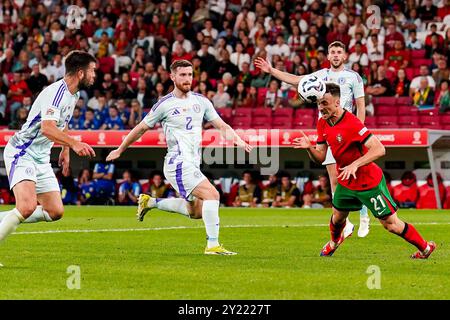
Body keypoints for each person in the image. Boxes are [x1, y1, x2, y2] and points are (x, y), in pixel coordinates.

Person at [106, 60, 252, 255]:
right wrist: (120, 149)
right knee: (213, 195)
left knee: (196, 212)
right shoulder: (164, 105)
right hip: (177, 163)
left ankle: (151, 202)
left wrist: (237, 140)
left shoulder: (201, 101)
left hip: (192, 163)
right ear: (172, 77)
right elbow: (141, 128)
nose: (187, 79)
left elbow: (222, 125)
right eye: (182, 75)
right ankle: (213, 245)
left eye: (190, 75)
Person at [292, 82, 436, 259]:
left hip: (368, 182)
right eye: (319, 103)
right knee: (337, 218)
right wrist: (309, 148)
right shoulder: (322, 123)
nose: (321, 107)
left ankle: (425, 248)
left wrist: (355, 164)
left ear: (337, 102)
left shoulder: (352, 123)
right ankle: (334, 242)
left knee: (391, 225)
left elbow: (379, 149)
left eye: (325, 103)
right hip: (346, 179)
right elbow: (320, 157)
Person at [255, 40, 370, 238]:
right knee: (335, 179)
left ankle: (364, 216)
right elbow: (296, 79)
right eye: (332, 51)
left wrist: (358, 132)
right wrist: (271, 70)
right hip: (326, 131)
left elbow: (360, 106)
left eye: (339, 52)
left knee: (355, 176)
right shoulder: (320, 76)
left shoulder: (354, 77)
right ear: (328, 56)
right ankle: (346, 221)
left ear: (344, 56)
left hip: (347, 130)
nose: (335, 55)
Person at [0, 51, 97, 265]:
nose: (94, 75)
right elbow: (47, 128)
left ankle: (3, 218)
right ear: (80, 73)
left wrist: (65, 149)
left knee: (55, 211)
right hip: (22, 152)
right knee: (26, 207)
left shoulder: (74, 95)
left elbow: (62, 123)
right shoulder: (56, 93)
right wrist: (74, 143)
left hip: (41, 158)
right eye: (92, 71)